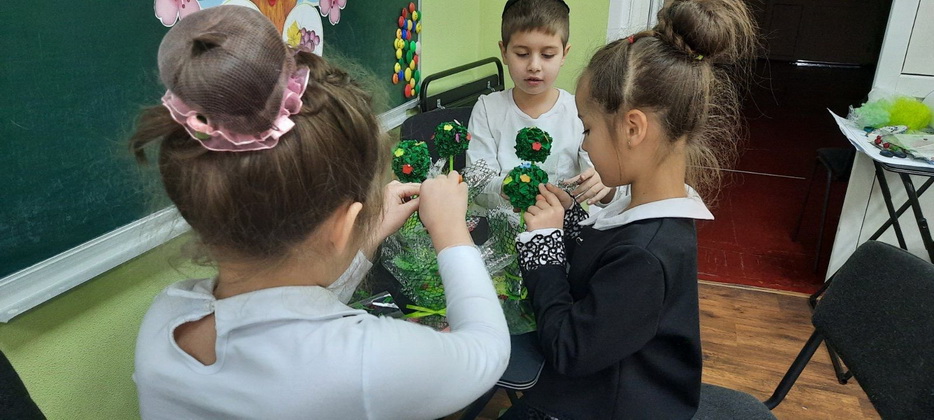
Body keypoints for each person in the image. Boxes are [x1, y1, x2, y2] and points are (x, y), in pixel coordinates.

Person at [130, 6, 509, 419]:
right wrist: (450, 231)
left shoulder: (166, 318)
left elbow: (288, 313)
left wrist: (366, 235)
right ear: (344, 224)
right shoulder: (365, 361)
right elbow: (487, 350)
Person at [506, 0, 758, 418]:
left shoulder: (646, 254)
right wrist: (571, 220)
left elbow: (568, 349)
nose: (584, 144)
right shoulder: (649, 212)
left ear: (633, 128)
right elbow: (603, 273)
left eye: (587, 129)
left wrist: (543, 252)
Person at [466, 0, 613, 210]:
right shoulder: (487, 109)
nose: (534, 66)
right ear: (504, 51)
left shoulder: (579, 111)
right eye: (522, 54)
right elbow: (477, 188)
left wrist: (606, 185)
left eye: (547, 55)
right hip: (501, 226)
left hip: (561, 226)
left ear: (564, 54)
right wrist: (511, 187)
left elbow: (603, 192)